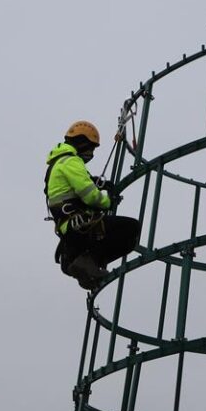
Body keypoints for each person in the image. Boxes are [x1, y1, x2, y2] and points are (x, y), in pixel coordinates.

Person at [46, 120, 141, 293]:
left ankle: (86, 267)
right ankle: (87, 262)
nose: (91, 153)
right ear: (82, 142)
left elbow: (81, 184)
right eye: (91, 148)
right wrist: (108, 201)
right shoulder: (71, 162)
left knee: (116, 231)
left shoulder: (58, 163)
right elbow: (90, 195)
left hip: (70, 230)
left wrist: (100, 183)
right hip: (80, 228)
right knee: (131, 229)